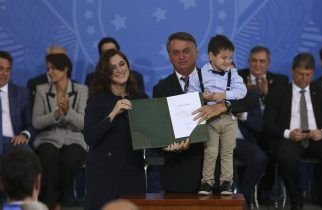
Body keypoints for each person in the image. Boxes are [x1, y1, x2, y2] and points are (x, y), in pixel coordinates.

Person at [153, 32, 254, 193]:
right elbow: (159, 130)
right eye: (175, 52)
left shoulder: (221, 73)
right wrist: (171, 145)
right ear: (169, 56)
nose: (181, 57)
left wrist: (223, 105)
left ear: (197, 52)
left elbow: (250, 100)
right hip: (180, 172)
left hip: (218, 173)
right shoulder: (161, 89)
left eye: (186, 51)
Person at [264, 52, 322, 210]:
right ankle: (296, 199)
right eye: (300, 74)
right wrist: (288, 133)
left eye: (308, 74)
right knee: (285, 155)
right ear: (292, 71)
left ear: (313, 73)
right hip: (290, 139)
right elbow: (267, 124)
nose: (304, 78)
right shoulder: (278, 92)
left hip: (317, 138)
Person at [84, 49, 147, 210]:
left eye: (122, 64)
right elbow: (90, 137)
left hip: (133, 171)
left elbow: (152, 134)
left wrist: (170, 145)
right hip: (103, 173)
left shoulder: (141, 98)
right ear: (106, 73)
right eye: (113, 68)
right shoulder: (97, 100)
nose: (119, 70)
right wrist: (113, 113)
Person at [187, 34, 246, 195]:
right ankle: (207, 182)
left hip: (229, 120)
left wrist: (224, 96)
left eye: (230, 58)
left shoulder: (232, 73)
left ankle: (227, 182)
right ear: (211, 56)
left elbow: (242, 91)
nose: (228, 62)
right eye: (224, 58)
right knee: (211, 151)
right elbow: (189, 93)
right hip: (210, 120)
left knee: (227, 152)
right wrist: (201, 96)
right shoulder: (198, 74)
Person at [32, 53, 87, 210]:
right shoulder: (42, 90)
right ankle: (54, 204)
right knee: (48, 157)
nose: (50, 72)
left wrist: (68, 112)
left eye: (54, 68)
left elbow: (83, 123)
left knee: (71, 159)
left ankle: (56, 201)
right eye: (48, 69)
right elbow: (36, 122)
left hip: (74, 138)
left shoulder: (82, 90)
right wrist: (55, 114)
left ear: (65, 69)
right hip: (48, 138)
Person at [238, 45, 289, 202]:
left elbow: (283, 110)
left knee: (275, 150)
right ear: (248, 61)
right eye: (254, 61)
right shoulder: (238, 78)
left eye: (262, 61)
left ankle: (265, 190)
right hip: (246, 129)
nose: (257, 65)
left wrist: (267, 95)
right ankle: (243, 193)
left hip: (269, 130)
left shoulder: (280, 81)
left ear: (268, 63)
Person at [0, 51, 34, 157]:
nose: (4, 74)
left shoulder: (22, 94)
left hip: (12, 142)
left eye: (8, 70)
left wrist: (24, 135)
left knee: (28, 159)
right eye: (0, 69)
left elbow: (31, 125)